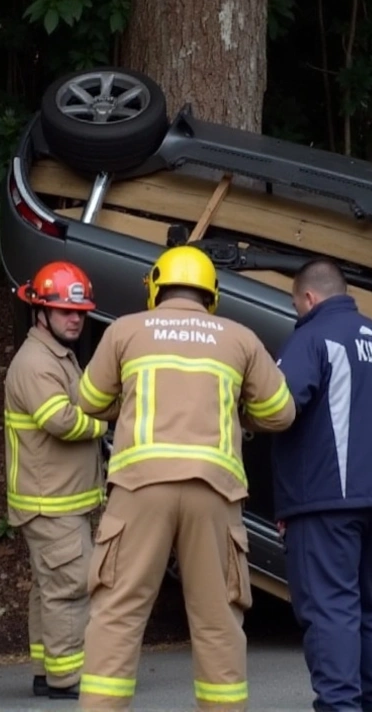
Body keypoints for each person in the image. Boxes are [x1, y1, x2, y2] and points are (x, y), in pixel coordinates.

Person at [73, 245, 297, 711]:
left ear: (155, 286)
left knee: (118, 616)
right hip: (213, 492)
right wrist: (239, 415)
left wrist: (129, 404)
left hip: (139, 489)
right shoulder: (239, 337)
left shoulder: (125, 331)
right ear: (211, 294)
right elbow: (281, 412)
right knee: (217, 621)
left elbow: (89, 400)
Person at [271, 257, 372, 712]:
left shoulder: (311, 337)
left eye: (295, 303)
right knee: (368, 606)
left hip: (323, 497)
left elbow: (282, 403)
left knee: (329, 608)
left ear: (309, 298)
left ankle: (340, 706)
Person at [5, 261, 114, 700]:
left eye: (80, 311)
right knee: (71, 586)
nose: (75, 318)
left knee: (49, 588)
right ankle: (68, 679)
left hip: (56, 498)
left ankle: (46, 670)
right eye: (65, 311)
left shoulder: (56, 356)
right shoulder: (35, 362)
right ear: (40, 312)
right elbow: (61, 420)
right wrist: (104, 425)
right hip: (51, 501)